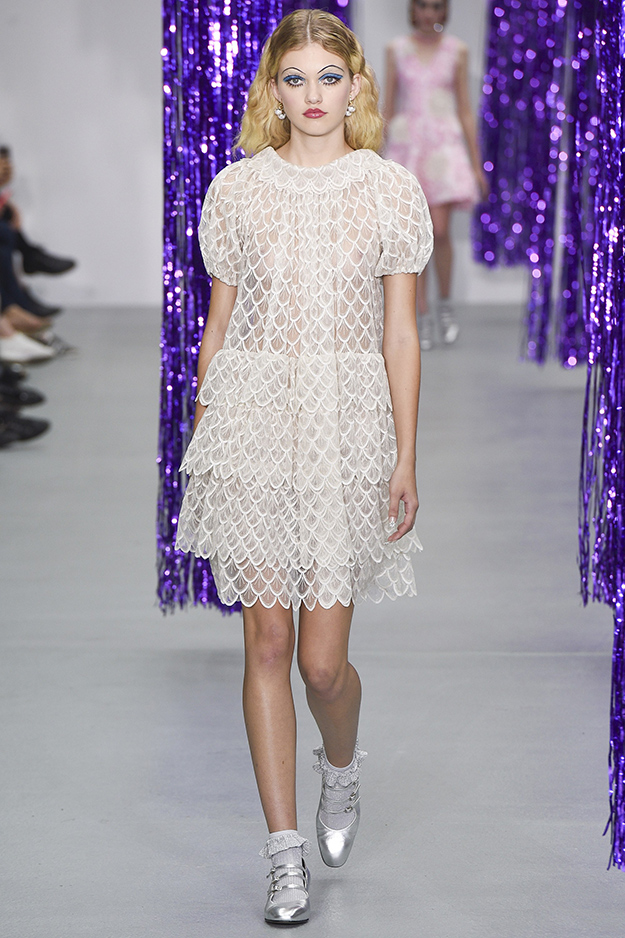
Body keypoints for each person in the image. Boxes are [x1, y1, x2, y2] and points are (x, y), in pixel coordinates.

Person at [175, 9, 433, 926]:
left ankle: (340, 766)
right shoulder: (237, 190)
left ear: (356, 86)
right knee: (266, 644)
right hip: (251, 421)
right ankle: (283, 854)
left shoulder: (389, 191)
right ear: (272, 91)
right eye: (296, 78)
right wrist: (205, 436)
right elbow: (217, 327)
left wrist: (404, 454)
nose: (313, 95)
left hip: (343, 429)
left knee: (323, 668)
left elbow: (399, 334)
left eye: (330, 77)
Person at [384, 0, 488, 349]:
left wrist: (476, 163)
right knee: (416, 237)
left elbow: (465, 109)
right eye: (423, 6)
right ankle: (422, 315)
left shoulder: (456, 51)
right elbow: (389, 106)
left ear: (444, 11)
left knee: (439, 231)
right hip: (408, 146)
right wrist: (372, 155)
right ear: (413, 10)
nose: (429, 13)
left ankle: (444, 305)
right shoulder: (397, 49)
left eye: (436, 6)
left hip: (443, 148)